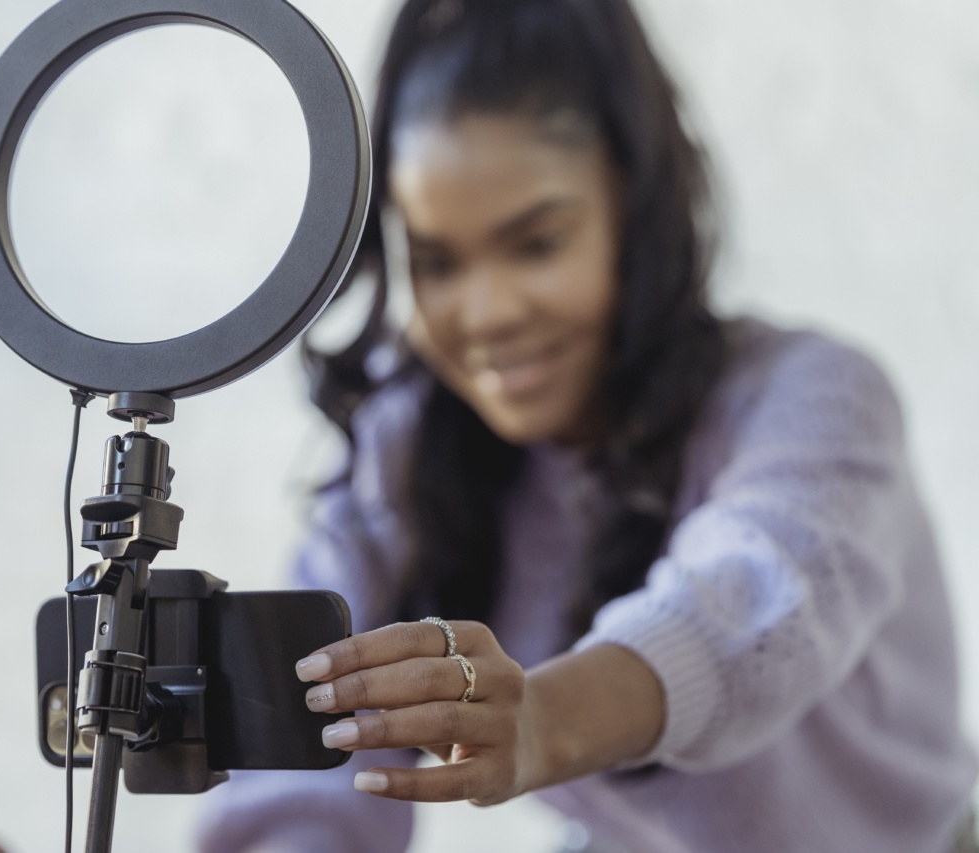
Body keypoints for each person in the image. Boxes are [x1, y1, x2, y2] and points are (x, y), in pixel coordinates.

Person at [197, 0, 977, 850]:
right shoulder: (406, 447)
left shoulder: (816, 399)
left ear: (632, 210)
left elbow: (748, 605)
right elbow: (304, 757)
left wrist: (540, 721)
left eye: (537, 244)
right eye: (439, 263)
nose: (487, 313)